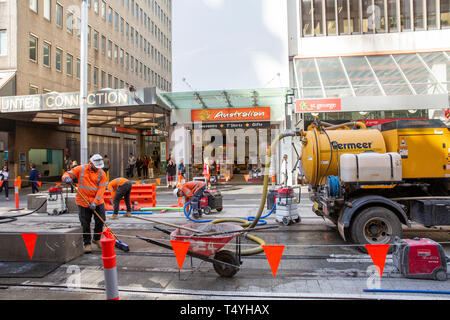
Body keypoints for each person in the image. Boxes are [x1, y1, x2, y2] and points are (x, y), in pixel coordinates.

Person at [62, 154, 108, 254]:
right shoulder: (81, 169)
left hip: (97, 202)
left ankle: (96, 238)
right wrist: (66, 178)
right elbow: (67, 174)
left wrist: (95, 203)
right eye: (96, 166)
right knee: (85, 223)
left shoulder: (102, 174)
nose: (98, 169)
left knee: (101, 220)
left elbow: (101, 190)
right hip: (83, 202)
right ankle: (87, 243)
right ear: (91, 164)